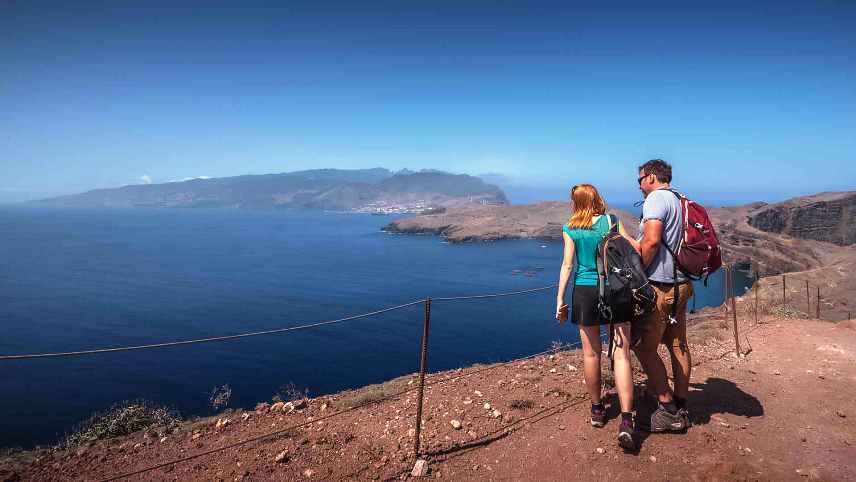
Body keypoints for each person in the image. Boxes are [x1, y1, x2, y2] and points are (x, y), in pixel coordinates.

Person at [555, 184, 637, 450]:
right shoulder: (612, 221)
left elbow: (568, 265)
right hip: (617, 290)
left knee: (591, 355)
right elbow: (632, 250)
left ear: (575, 202)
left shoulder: (571, 228)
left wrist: (559, 301)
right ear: (596, 199)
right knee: (622, 354)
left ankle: (598, 410)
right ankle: (626, 420)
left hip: (586, 292)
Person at [631, 159, 694, 432]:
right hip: (682, 284)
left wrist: (638, 273)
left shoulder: (656, 199)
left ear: (652, 177)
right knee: (678, 344)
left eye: (640, 179)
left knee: (644, 348)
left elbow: (652, 241)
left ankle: (667, 409)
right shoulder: (680, 199)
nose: (639, 184)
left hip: (661, 287)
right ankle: (681, 403)